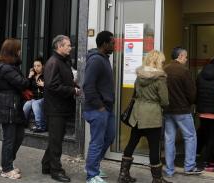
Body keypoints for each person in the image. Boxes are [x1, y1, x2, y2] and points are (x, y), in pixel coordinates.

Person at [118, 50, 171, 183]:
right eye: (162, 61)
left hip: (137, 116)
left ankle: (123, 174)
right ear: (158, 61)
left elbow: (135, 94)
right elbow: (165, 101)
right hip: (152, 116)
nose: (163, 63)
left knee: (131, 143)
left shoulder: (139, 76)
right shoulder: (160, 79)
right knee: (154, 147)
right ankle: (157, 179)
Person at [0, 38, 30, 180]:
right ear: (13, 51)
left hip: (13, 103)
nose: (20, 51)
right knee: (10, 138)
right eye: (19, 49)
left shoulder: (8, 66)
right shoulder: (6, 68)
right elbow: (22, 83)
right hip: (9, 103)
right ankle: (6, 168)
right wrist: (30, 76)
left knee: (19, 135)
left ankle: (7, 163)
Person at [41, 35, 80, 182]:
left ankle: (46, 164)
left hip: (61, 107)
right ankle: (56, 170)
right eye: (68, 45)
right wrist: (73, 91)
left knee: (56, 139)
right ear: (59, 46)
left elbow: (63, 81)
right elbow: (52, 85)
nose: (70, 47)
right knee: (56, 140)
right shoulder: (54, 62)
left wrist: (74, 86)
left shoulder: (62, 61)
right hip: (55, 108)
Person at [83, 31, 116, 183]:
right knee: (97, 141)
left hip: (106, 108)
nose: (114, 45)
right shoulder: (96, 60)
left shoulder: (104, 59)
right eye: (112, 43)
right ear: (104, 44)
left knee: (109, 136)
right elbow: (88, 86)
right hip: (97, 109)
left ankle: (93, 165)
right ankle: (91, 174)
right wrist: (99, 106)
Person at [163, 47, 201, 177]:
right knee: (190, 137)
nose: (186, 59)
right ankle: (189, 167)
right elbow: (192, 93)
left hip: (168, 110)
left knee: (169, 139)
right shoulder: (184, 71)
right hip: (182, 110)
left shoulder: (164, 70)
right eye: (185, 57)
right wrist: (191, 103)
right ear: (180, 56)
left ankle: (169, 169)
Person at [195, 57, 214, 172]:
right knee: (213, 137)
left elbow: (196, 91)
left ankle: (207, 160)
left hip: (202, 112)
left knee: (207, 136)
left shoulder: (200, 75)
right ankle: (208, 161)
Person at [24, 57, 47, 133]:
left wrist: (44, 85)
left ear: (42, 66)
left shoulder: (46, 75)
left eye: (38, 66)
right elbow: (25, 86)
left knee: (35, 103)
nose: (36, 68)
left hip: (44, 98)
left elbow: (53, 87)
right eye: (35, 66)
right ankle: (23, 123)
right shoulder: (33, 76)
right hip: (34, 98)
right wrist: (29, 77)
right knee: (27, 104)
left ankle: (40, 126)